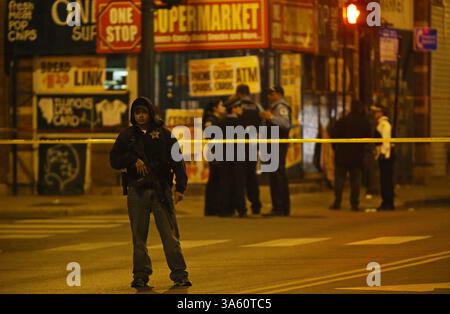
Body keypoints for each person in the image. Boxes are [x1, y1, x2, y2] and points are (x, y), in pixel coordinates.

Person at [109, 97, 192, 289]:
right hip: (137, 191)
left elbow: (177, 162)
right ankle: (140, 276)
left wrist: (180, 188)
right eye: (137, 112)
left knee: (170, 236)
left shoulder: (163, 134)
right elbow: (114, 160)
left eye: (143, 112)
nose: (140, 116)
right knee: (139, 237)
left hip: (160, 189)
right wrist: (132, 160)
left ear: (150, 113)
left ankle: (179, 274)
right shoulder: (127, 136)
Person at [329, 100, 371, 211]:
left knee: (340, 180)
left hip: (342, 154)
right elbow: (369, 138)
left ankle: (337, 202)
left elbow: (333, 135)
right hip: (357, 155)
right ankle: (354, 204)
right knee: (355, 180)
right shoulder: (364, 122)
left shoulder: (343, 121)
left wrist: (335, 148)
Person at [260, 85, 291, 217]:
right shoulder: (274, 107)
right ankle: (278, 206)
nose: (269, 96)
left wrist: (270, 117)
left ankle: (280, 207)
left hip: (278, 144)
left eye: (271, 94)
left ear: (278, 94)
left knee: (278, 174)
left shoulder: (281, 107)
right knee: (274, 174)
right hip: (273, 144)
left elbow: (285, 124)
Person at [217, 96, 247, 217]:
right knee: (238, 183)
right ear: (234, 109)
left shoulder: (221, 123)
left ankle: (225, 209)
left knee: (225, 182)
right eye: (239, 106)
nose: (241, 109)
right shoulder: (240, 124)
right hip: (238, 157)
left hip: (224, 156)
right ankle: (241, 208)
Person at [235, 84, 264, 216]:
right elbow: (262, 123)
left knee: (240, 178)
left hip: (239, 145)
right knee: (252, 176)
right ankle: (256, 205)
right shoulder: (257, 106)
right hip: (253, 145)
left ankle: (241, 208)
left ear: (239, 93)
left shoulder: (236, 105)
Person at [202, 99, 226, 216]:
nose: (224, 107)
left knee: (217, 180)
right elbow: (209, 134)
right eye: (221, 105)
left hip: (219, 152)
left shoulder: (218, 119)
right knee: (215, 181)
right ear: (215, 108)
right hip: (215, 152)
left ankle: (215, 207)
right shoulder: (211, 120)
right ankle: (212, 208)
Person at [371, 104, 395, 210]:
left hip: (386, 157)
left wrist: (384, 154)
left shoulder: (384, 125)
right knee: (385, 180)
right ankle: (386, 202)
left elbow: (386, 141)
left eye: (376, 112)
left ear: (381, 113)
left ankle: (387, 202)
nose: (375, 114)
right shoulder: (381, 124)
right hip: (383, 156)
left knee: (386, 180)